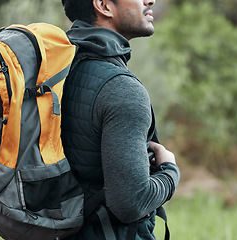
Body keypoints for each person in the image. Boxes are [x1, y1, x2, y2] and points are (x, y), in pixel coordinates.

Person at [60, 0, 181, 239]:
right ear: (104, 5)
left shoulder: (56, 72)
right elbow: (130, 203)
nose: (150, 1)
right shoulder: (121, 89)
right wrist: (170, 171)